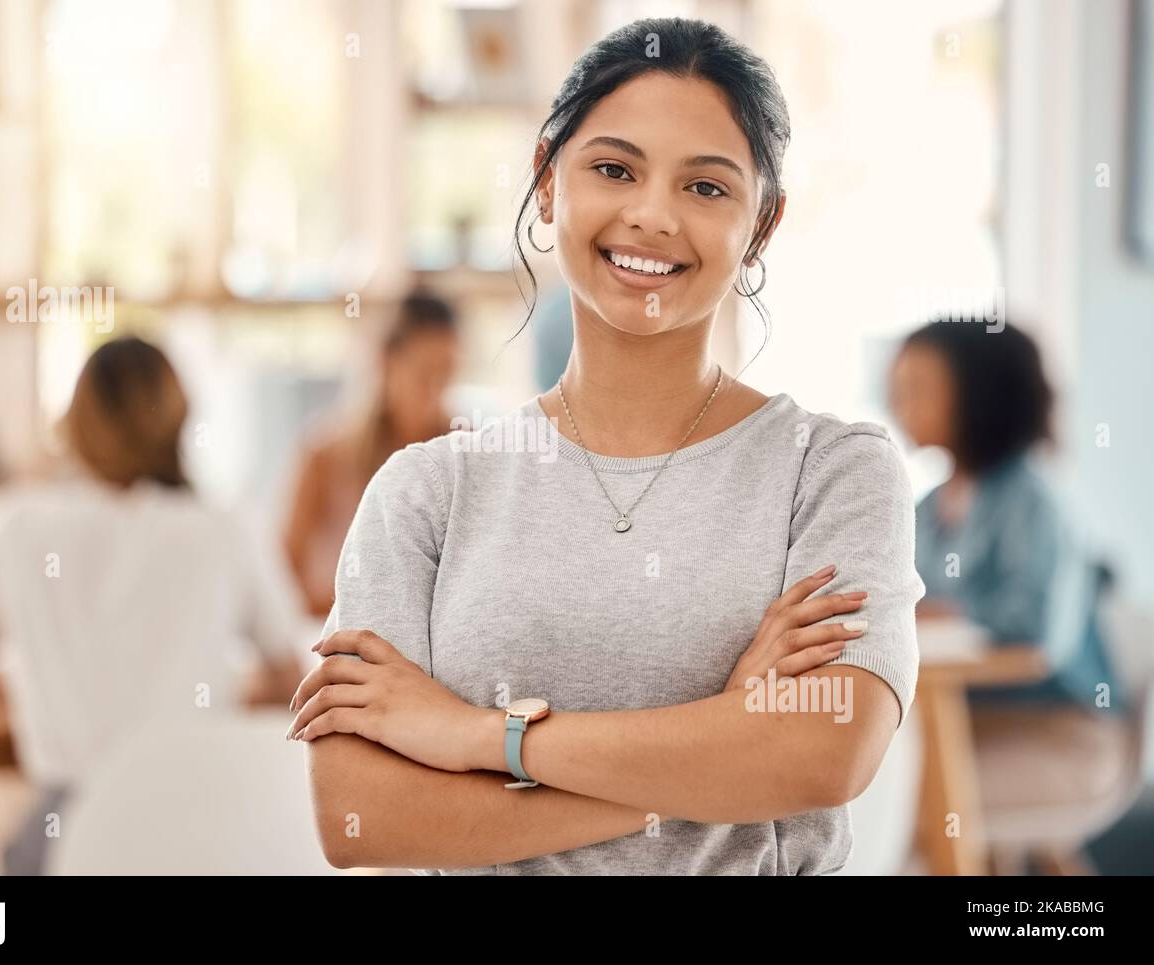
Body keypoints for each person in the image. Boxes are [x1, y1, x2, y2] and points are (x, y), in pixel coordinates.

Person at [289, 18, 927, 876]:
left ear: (761, 224)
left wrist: (478, 737)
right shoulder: (427, 491)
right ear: (549, 184)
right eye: (614, 169)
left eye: (706, 188)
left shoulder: (833, 470)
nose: (653, 215)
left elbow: (822, 754)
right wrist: (720, 739)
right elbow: (359, 815)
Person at [0, 336, 304, 874]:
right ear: (179, 418)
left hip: (73, 832)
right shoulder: (221, 528)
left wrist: (33, 679)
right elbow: (289, 679)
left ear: (77, 424)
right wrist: (216, 683)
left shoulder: (23, 528)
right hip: (202, 832)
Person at [890, 318, 1125, 713]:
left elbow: (1035, 628)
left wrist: (944, 613)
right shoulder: (928, 506)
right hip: (958, 722)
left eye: (917, 389)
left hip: (1057, 723)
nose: (899, 407)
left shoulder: (1034, 500)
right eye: (896, 390)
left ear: (978, 392)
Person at [282, 291, 460, 618]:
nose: (435, 395)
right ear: (385, 363)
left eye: (446, 375)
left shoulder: (466, 452)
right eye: (424, 376)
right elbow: (282, 577)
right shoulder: (324, 457)